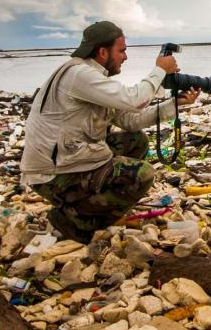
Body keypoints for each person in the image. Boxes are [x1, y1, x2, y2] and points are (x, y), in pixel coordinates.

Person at [20, 20, 200, 243]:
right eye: (122, 50)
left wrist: (173, 104)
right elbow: (135, 100)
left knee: (136, 141)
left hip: (67, 159)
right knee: (142, 174)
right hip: (52, 173)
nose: (125, 57)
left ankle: (89, 204)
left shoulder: (92, 77)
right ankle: (73, 220)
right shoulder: (78, 74)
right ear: (103, 52)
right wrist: (160, 70)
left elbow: (129, 120)